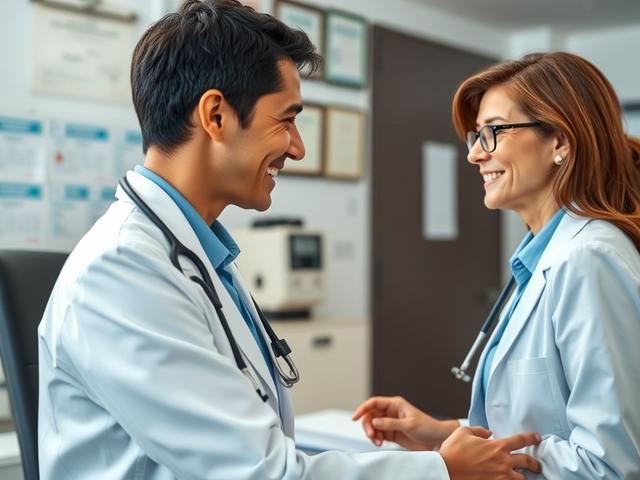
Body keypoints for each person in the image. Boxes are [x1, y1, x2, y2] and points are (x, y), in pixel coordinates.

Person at [37, 1, 542, 479]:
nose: (297, 148)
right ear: (215, 116)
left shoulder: (201, 253)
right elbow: (264, 472)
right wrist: (442, 469)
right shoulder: (125, 270)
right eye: (287, 119)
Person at [353, 51, 640, 478]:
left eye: (493, 132)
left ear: (560, 141)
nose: (474, 155)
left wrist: (481, 463)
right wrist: (442, 433)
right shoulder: (541, 257)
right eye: (475, 136)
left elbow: (612, 463)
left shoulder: (588, 259)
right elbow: (543, 422)